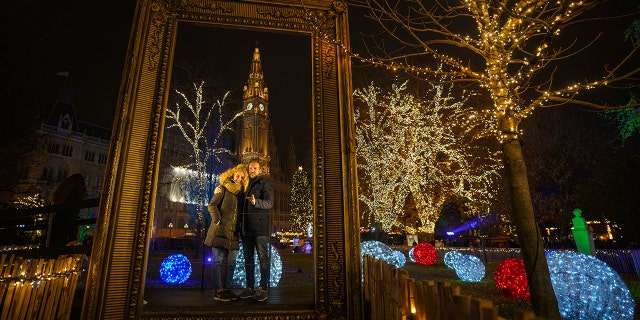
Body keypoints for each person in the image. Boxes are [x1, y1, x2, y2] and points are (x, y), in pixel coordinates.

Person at [217, 159, 274, 301]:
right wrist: (219, 189)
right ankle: (250, 287)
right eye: (250, 168)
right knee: (248, 260)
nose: (252, 170)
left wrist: (257, 202)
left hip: (260, 228)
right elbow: (233, 191)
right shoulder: (246, 184)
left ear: (260, 170)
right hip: (247, 229)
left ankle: (263, 288)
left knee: (263, 258)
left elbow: (269, 202)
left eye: (255, 168)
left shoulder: (265, 183)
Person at [204, 164, 249, 302]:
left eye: (242, 177)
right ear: (232, 175)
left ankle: (227, 289)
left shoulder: (242, 194)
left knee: (232, 263)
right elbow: (211, 205)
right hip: (220, 231)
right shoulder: (223, 188)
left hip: (234, 234)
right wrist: (218, 219)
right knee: (217, 262)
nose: (239, 179)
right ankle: (218, 291)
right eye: (237, 176)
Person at [50, 173, 88, 248]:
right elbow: (71, 216)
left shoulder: (64, 195)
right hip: (64, 230)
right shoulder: (75, 196)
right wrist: (72, 235)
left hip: (56, 225)